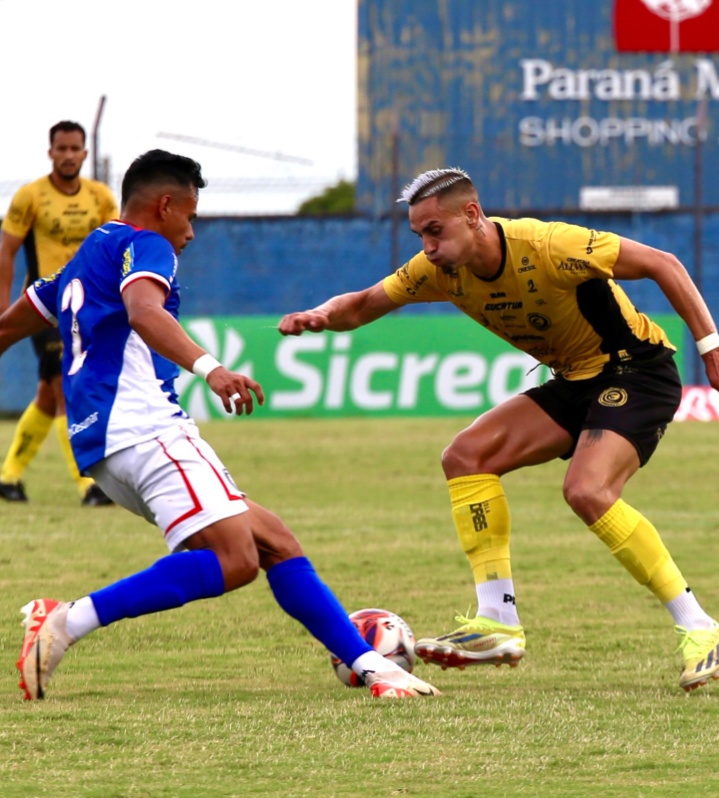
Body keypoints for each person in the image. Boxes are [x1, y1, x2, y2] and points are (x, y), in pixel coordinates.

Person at [1, 148, 440, 702]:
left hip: (101, 444)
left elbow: (5, 329)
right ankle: (67, 621)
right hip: (145, 428)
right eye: (189, 215)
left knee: (274, 541)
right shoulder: (147, 244)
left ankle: (376, 669)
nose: (190, 231)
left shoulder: (83, 258)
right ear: (164, 206)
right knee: (236, 561)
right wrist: (212, 369)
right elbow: (143, 310)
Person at [278, 166, 719, 694]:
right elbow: (367, 303)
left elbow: (662, 263)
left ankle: (700, 628)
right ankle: (498, 622)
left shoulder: (550, 244)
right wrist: (320, 315)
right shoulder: (437, 270)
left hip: (636, 370)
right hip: (575, 379)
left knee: (586, 490)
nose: (427, 245)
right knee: (466, 456)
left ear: (472, 214)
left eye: (434, 231)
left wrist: (710, 349)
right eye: (420, 234)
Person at [0, 120, 118, 506]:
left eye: (75, 149)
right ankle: (89, 485)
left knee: (48, 397)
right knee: (66, 390)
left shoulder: (100, 197)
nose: (68, 155)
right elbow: (6, 252)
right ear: (50, 152)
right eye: (61, 149)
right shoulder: (30, 196)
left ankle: (8, 476)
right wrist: (5, 312)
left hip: (89, 309)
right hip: (44, 308)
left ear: (85, 153)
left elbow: (113, 248)